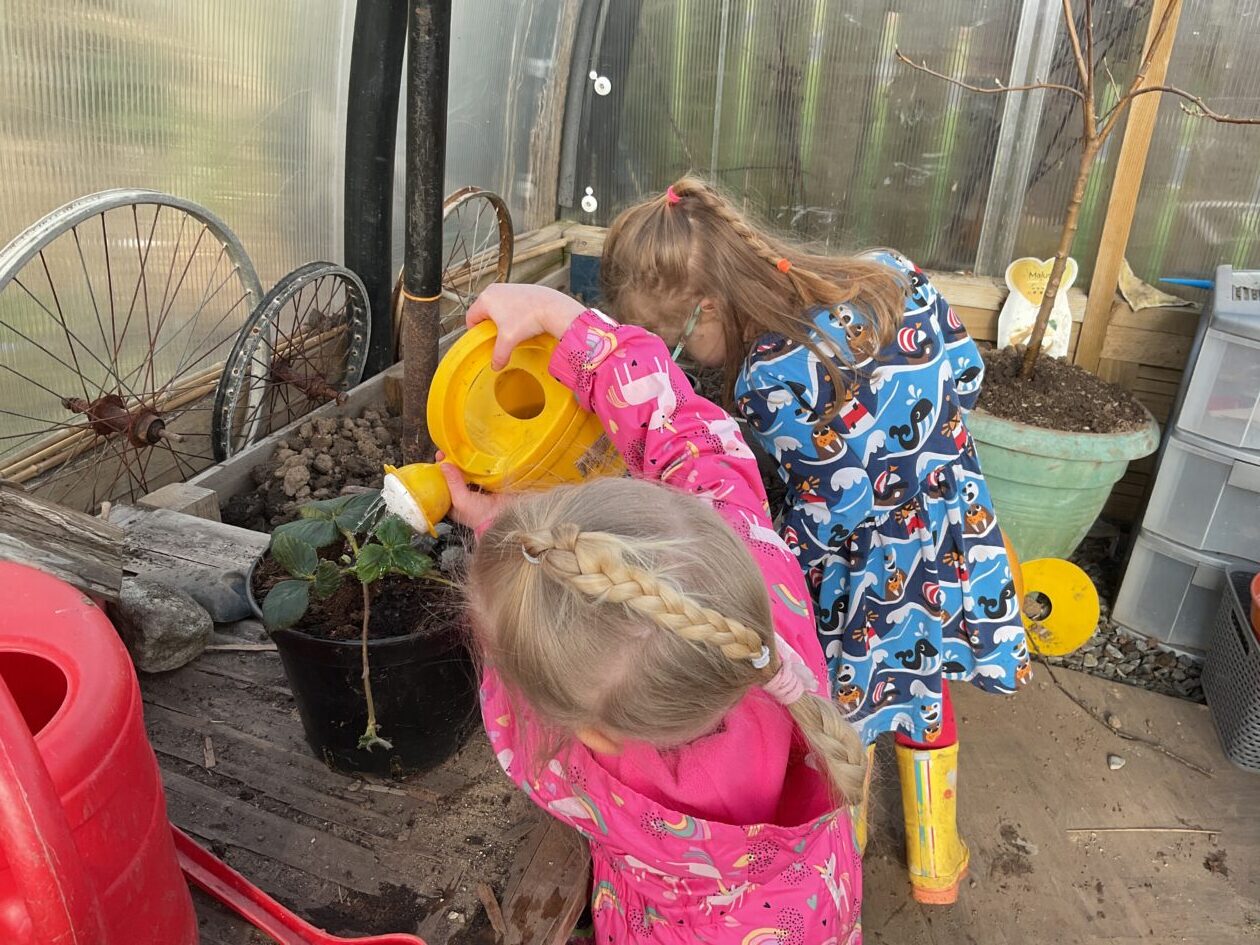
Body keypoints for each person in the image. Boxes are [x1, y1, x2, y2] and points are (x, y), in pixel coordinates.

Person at [598, 178, 1031, 904]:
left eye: (681, 341)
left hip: (868, 575)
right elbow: (965, 371)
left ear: (709, 307)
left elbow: (835, 512)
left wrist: (761, 552)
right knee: (924, 685)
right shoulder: (886, 272)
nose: (691, 359)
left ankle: (843, 848)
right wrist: (922, 456)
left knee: (846, 706)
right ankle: (935, 860)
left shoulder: (769, 378)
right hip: (948, 532)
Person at [441, 283, 866, 944]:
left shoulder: (576, 774)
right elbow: (696, 445)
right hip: (814, 899)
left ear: (590, 733)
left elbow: (519, 697)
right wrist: (572, 326)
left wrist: (498, 530)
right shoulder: (763, 579)